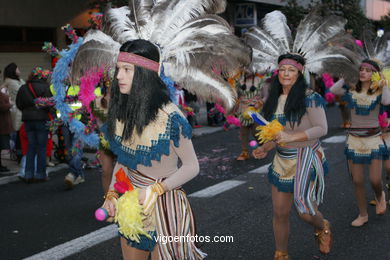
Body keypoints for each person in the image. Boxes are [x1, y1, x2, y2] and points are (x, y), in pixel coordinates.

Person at [101, 40, 206, 259]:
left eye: (127, 70)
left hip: (165, 208)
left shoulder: (170, 117)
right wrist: (112, 194)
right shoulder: (122, 112)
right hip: (131, 208)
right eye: (118, 68)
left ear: (145, 74)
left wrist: (157, 189)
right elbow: (124, 159)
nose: (118, 76)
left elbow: (191, 166)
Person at [252, 54, 332, 259]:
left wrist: (292, 136)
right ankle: (281, 254)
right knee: (280, 212)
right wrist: (266, 148)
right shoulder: (272, 98)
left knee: (305, 213)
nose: (286, 74)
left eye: (292, 70)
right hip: (282, 159)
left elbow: (322, 128)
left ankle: (322, 226)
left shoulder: (310, 96)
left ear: (300, 72)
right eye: (283, 70)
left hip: (307, 157)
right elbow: (275, 133)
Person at [329, 59, 390, 226]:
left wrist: (384, 84)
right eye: (361, 69)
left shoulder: (377, 91)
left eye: (368, 70)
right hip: (354, 140)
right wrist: (344, 77)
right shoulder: (351, 90)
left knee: (375, 180)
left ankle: (380, 195)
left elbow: (386, 101)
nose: (363, 72)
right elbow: (333, 90)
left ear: (375, 74)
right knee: (357, 180)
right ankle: (362, 214)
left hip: (373, 139)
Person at [16, 67, 51, 183]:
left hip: (27, 120)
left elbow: (19, 104)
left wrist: (27, 111)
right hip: (41, 119)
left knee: (31, 146)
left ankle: (28, 174)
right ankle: (40, 174)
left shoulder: (23, 88)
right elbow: (49, 104)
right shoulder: (45, 87)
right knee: (41, 147)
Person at [2, 63, 25, 160]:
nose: (19, 70)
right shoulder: (11, 82)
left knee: (18, 133)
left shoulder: (17, 81)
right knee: (18, 133)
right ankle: (18, 154)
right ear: (13, 71)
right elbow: (23, 91)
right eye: (17, 68)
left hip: (18, 109)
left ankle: (17, 153)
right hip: (16, 109)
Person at [0, 84, 13, 172]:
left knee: (1, 147)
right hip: (1, 124)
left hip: (3, 124)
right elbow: (2, 107)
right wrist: (9, 104)